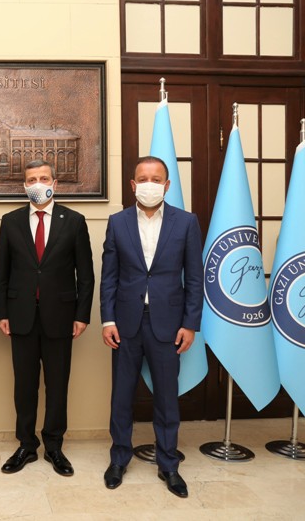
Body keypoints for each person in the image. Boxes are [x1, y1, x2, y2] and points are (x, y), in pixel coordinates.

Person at [100, 156, 204, 499]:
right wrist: (108, 319)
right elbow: (109, 276)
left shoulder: (186, 222)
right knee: (121, 397)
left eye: (156, 179)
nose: (149, 184)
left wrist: (190, 324)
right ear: (133, 185)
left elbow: (195, 277)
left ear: (167, 185)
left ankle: (169, 464)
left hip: (168, 324)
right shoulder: (117, 222)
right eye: (142, 178)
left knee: (166, 399)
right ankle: (119, 459)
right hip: (125, 323)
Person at [0, 159, 95, 477]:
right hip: (21, 316)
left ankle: (54, 446)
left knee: (57, 385)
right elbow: (2, 274)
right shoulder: (10, 221)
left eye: (43, 178)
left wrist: (82, 315)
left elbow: (86, 275)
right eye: (31, 179)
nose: (37, 183)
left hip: (61, 317)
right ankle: (26, 445)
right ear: (24, 186)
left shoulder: (74, 221)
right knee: (24, 386)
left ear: (55, 183)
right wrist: (2, 313)